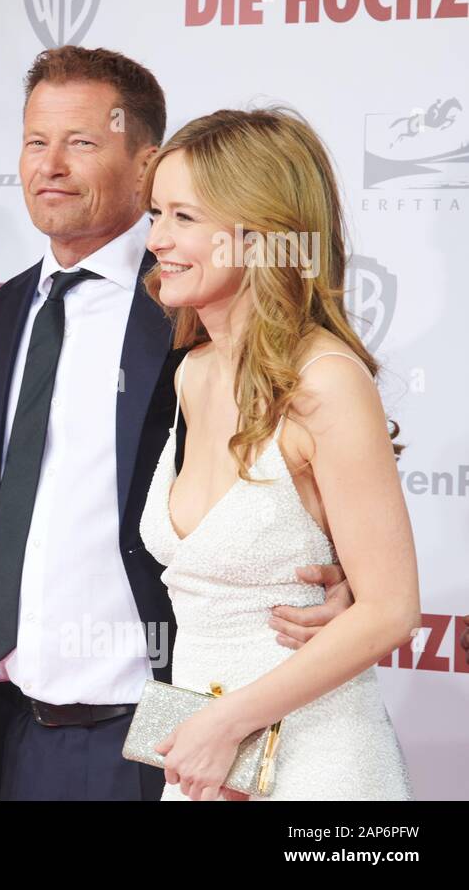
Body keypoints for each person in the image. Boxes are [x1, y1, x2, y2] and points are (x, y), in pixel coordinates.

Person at [0, 47, 355, 801]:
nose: (51, 165)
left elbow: (305, 441)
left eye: (82, 142)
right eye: (35, 141)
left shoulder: (190, 307)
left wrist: (341, 578)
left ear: (147, 165)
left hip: (160, 719)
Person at [139, 107, 418, 800]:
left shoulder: (323, 381)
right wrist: (210, 730)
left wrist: (228, 720)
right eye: (155, 213)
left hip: (319, 763)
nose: (156, 239)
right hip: (205, 760)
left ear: (261, 235)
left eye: (183, 217)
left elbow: (390, 608)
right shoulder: (189, 372)